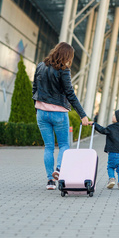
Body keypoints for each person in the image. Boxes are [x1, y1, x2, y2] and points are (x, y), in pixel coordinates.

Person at [32, 42, 88, 190]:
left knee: (48, 147)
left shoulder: (40, 66)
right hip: (59, 113)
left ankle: (50, 181)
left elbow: (34, 89)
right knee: (64, 145)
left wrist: (37, 108)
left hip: (41, 112)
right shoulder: (63, 70)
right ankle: (58, 169)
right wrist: (82, 115)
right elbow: (70, 93)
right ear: (67, 56)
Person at [89, 109, 119, 190]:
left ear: (118, 118)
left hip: (113, 153)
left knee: (110, 167)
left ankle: (111, 179)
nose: (113, 116)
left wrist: (94, 124)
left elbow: (102, 130)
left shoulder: (111, 128)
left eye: (114, 115)